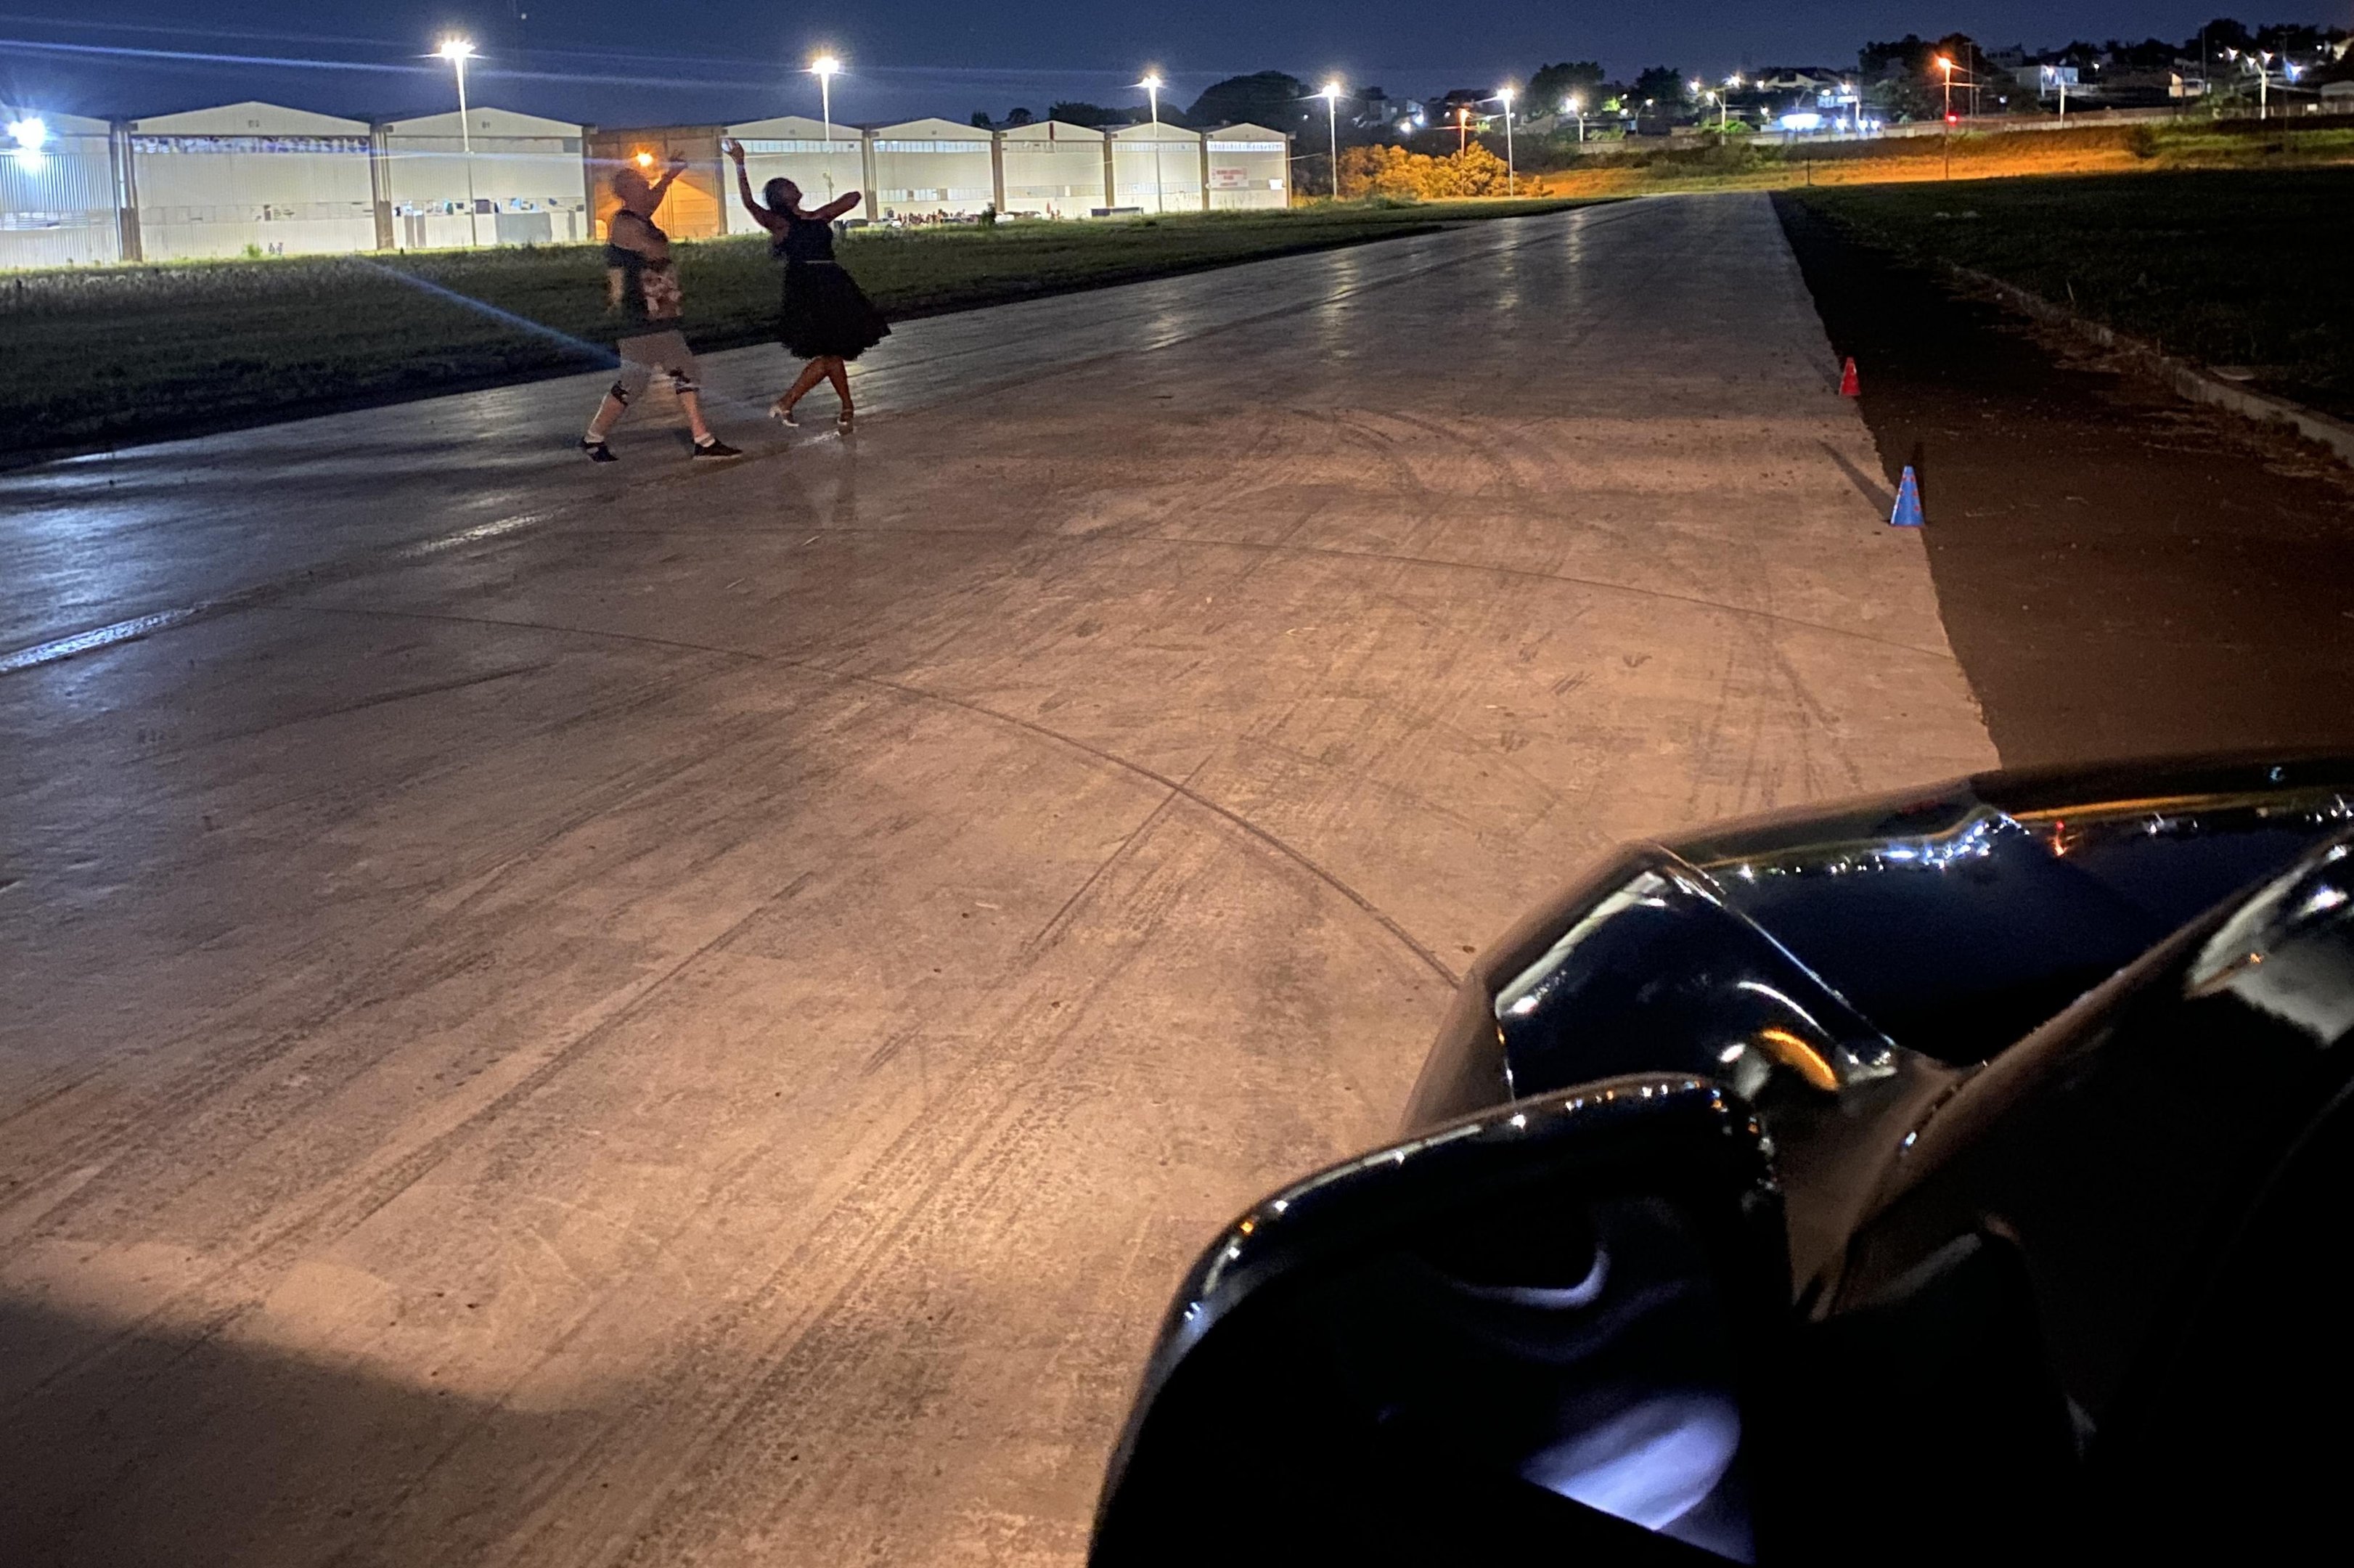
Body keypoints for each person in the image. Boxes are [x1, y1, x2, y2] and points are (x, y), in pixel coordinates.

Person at [581, 152, 740, 462]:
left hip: (657, 311)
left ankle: (700, 440)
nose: (647, 188)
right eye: (641, 185)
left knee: (668, 373)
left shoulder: (638, 217)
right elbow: (654, 250)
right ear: (626, 192)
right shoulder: (624, 223)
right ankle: (595, 438)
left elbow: (652, 205)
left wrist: (669, 176)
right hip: (640, 313)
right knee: (648, 378)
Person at [724, 139, 890, 429]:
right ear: (779, 196)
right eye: (786, 185)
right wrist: (740, 163)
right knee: (830, 352)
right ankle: (790, 403)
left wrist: (818, 214)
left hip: (834, 284)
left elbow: (854, 197)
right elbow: (750, 203)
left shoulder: (815, 216)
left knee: (833, 352)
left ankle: (844, 408)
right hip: (808, 287)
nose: (793, 185)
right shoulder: (779, 223)